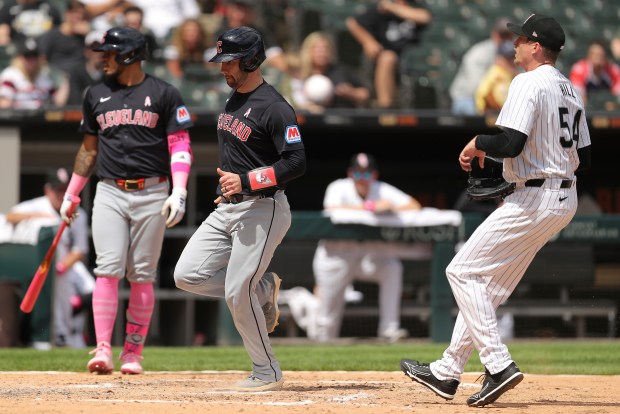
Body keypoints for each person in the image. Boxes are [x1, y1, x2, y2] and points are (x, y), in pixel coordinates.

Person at [400, 14, 592, 407]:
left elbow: (510, 142)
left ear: (536, 47)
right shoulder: (570, 89)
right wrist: (530, 170)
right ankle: (448, 371)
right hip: (561, 197)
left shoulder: (527, 81)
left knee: (461, 270)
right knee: (490, 286)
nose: (514, 44)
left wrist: (476, 143)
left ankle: (498, 365)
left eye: (520, 39)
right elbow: (583, 157)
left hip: (535, 198)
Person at [174, 26, 306, 391]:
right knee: (186, 276)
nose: (222, 69)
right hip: (229, 208)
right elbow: (241, 156)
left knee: (236, 290)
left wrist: (246, 181)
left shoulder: (276, 107)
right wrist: (232, 184)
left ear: (250, 59)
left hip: (264, 208)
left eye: (229, 62)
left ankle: (267, 372)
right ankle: (262, 290)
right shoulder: (233, 99)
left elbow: (296, 163)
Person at [59, 26, 194, 374]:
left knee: (142, 274)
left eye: (110, 53)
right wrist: (72, 193)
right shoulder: (95, 93)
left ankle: (133, 352)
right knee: (107, 270)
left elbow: (179, 143)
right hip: (109, 190)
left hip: (153, 191)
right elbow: (89, 151)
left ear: (131, 55)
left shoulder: (164, 92)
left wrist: (179, 190)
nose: (103, 58)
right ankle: (102, 348)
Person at [312, 153, 422, 343]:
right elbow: (331, 210)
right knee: (326, 323)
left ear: (374, 175)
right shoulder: (338, 187)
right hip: (336, 256)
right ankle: (322, 345)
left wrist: (389, 208)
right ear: (350, 174)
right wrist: (370, 206)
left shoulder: (381, 189)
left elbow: (414, 206)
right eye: (358, 174)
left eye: (366, 174)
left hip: (366, 256)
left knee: (392, 268)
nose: (362, 179)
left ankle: (389, 329)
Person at [5, 168, 95, 349]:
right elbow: (10, 216)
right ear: (48, 190)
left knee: (89, 291)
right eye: (57, 189)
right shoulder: (38, 206)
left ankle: (65, 337)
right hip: (33, 265)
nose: (61, 194)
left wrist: (60, 267)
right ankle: (39, 338)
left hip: (64, 269)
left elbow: (79, 250)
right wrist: (42, 216)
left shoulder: (78, 213)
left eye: (65, 189)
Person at [345, 0, 432, 109]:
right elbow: (352, 22)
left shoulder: (413, 5)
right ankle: (385, 108)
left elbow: (424, 17)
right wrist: (368, 41)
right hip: (382, 59)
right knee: (388, 58)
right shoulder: (379, 10)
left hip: (410, 59)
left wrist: (392, 7)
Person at [290, 31, 370, 112]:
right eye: (317, 49)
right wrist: (310, 107)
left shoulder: (341, 71)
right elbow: (295, 100)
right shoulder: (300, 75)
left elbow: (366, 94)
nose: (322, 52)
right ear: (308, 51)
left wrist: (351, 93)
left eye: (325, 49)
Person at [449, 17, 513, 115]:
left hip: (493, 100)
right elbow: (478, 87)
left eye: (508, 35)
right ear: (494, 34)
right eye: (502, 35)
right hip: (466, 98)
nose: (505, 39)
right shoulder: (480, 52)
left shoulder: (512, 52)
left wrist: (509, 69)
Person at [0, 36, 69, 109]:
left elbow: (58, 102)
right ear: (20, 58)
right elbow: (4, 104)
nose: (31, 60)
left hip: (40, 119)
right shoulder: (10, 75)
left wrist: (65, 83)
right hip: (17, 119)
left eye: (34, 56)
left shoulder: (44, 76)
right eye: (27, 57)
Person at [569, 40, 620, 105]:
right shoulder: (579, 69)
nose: (597, 57)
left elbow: (617, 98)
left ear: (605, 57)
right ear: (588, 55)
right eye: (593, 54)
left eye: (600, 55)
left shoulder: (613, 71)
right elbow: (578, 99)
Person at [474, 39, 518, 114]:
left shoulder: (513, 73)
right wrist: (498, 109)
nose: (511, 61)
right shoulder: (495, 72)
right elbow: (484, 95)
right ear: (499, 58)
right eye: (507, 58)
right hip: (493, 114)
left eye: (512, 57)